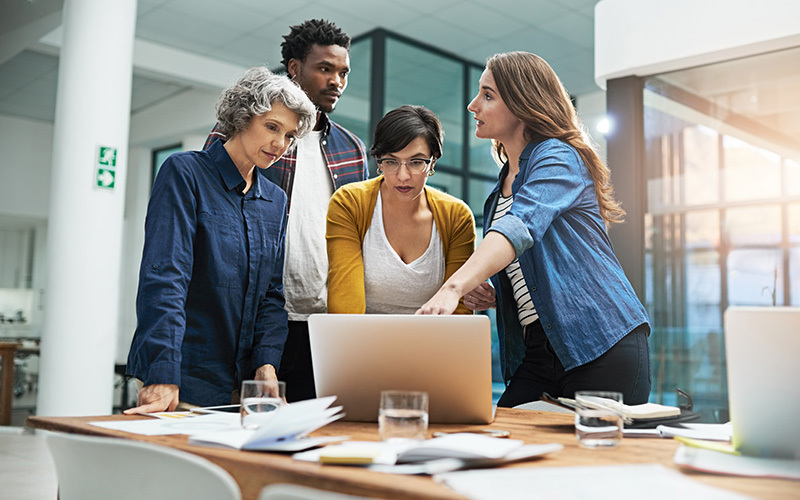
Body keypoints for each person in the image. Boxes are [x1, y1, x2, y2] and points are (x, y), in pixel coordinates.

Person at [417, 51, 651, 407]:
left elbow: (521, 225)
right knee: (500, 433)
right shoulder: (497, 194)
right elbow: (533, 264)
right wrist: (500, 295)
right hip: (541, 351)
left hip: (600, 340)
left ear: (523, 103)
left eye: (488, 94)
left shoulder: (557, 156)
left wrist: (453, 287)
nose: (472, 105)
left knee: (593, 458)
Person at [124, 67, 316, 413]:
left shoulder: (274, 200)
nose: (280, 144)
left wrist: (266, 364)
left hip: (243, 386)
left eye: (289, 136)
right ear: (242, 117)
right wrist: (162, 372)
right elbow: (165, 277)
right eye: (272, 127)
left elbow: (271, 295)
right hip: (182, 378)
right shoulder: (184, 174)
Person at [204, 20, 368, 402]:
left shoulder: (353, 149)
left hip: (327, 320)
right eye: (324, 68)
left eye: (343, 72)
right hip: (259, 316)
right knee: (250, 430)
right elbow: (215, 217)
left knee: (320, 435)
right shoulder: (245, 131)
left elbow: (358, 235)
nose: (336, 81)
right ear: (294, 68)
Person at [327, 106, 475, 314]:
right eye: (391, 161)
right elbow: (344, 301)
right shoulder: (350, 202)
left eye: (416, 162)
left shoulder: (456, 216)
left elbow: (459, 309)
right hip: (363, 341)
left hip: (434, 342)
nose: (403, 175)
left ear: (432, 162)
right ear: (379, 161)